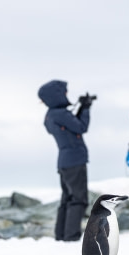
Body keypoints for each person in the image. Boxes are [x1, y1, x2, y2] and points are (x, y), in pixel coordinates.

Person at [38, 80, 93, 241]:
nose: (67, 95)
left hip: (64, 161)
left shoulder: (51, 115)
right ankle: (71, 236)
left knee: (67, 199)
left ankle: (61, 235)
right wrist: (86, 108)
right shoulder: (61, 114)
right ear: (57, 96)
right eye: (64, 92)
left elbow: (73, 125)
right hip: (75, 159)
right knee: (79, 199)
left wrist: (81, 107)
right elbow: (81, 127)